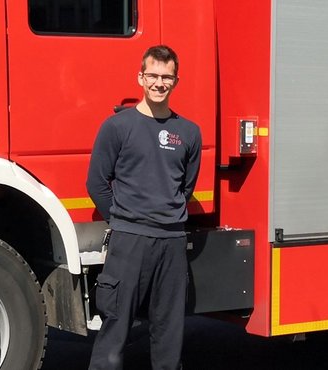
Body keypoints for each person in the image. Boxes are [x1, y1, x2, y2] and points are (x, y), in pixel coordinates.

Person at [86, 45, 202, 369]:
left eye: (166, 77)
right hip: (129, 241)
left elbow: (186, 185)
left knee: (169, 333)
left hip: (172, 242)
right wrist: (123, 220)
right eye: (153, 75)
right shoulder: (117, 127)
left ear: (176, 81)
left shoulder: (189, 133)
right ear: (140, 77)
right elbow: (96, 182)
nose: (159, 83)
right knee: (115, 328)